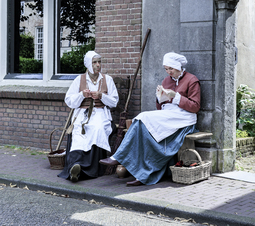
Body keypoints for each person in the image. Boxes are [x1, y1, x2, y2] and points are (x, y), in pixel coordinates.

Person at [99, 52, 200, 186]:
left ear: (178, 67)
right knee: (141, 126)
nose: (169, 72)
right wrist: (160, 98)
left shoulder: (191, 80)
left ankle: (119, 157)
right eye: (166, 69)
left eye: (171, 69)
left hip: (184, 117)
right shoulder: (166, 80)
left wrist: (175, 96)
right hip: (168, 116)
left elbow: (195, 106)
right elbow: (160, 108)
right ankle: (141, 173)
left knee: (143, 117)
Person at [58, 51, 119, 182]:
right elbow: (69, 101)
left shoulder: (107, 79)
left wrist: (102, 96)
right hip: (82, 113)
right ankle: (76, 166)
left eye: (99, 62)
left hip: (100, 112)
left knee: (96, 128)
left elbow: (114, 102)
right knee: (79, 131)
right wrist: (81, 95)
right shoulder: (78, 80)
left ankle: (86, 168)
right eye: (94, 62)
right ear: (88, 64)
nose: (98, 65)